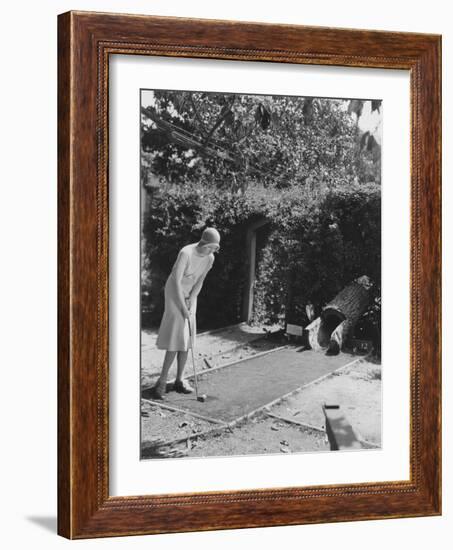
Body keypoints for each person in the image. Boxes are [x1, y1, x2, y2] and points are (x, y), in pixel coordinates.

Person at [148, 227, 221, 400]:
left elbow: (200, 281)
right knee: (177, 335)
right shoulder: (185, 253)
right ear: (203, 243)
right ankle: (162, 381)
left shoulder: (210, 258)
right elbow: (175, 282)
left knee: (187, 336)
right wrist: (182, 305)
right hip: (175, 293)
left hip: (190, 295)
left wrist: (191, 299)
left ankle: (180, 379)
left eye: (215, 248)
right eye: (209, 247)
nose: (211, 251)